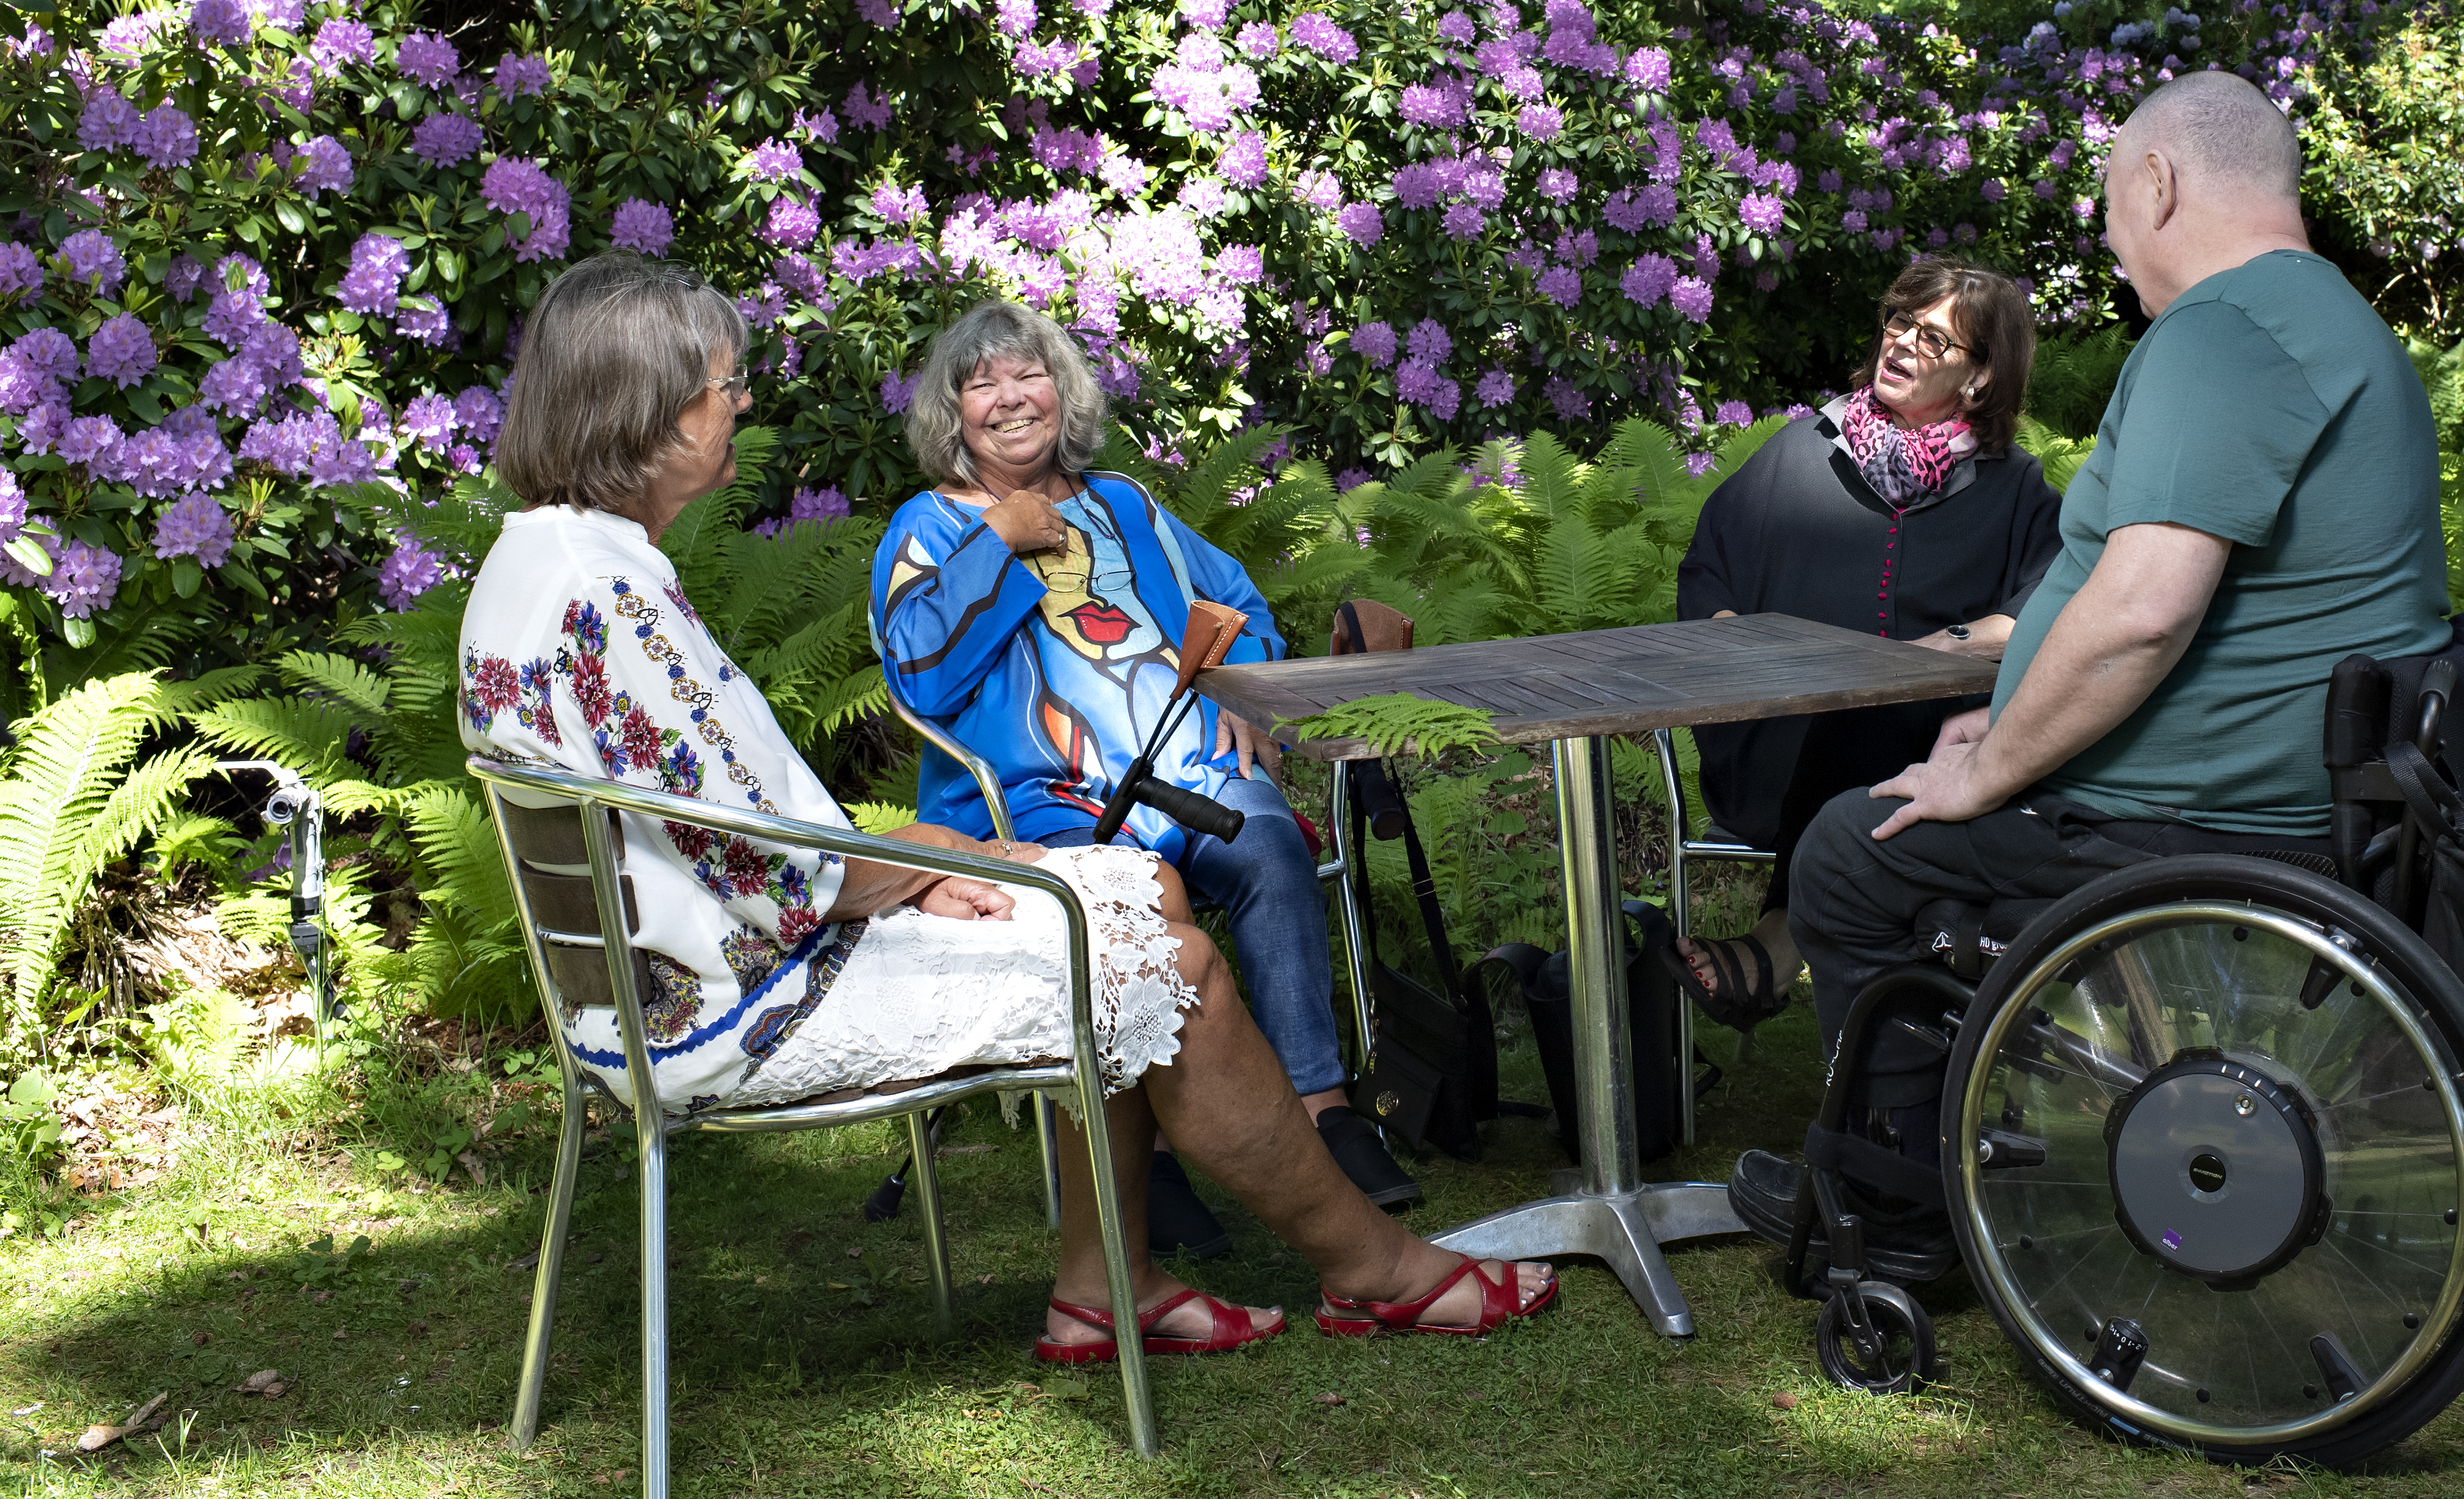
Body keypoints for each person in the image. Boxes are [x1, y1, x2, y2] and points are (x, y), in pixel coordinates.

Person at [461, 254, 1551, 1354]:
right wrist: (936, 860)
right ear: (647, 412)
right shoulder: (611, 595)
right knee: (1162, 960)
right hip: (739, 1000)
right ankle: (1376, 1269)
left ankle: (1102, 1283)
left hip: (668, 983)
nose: (740, 404)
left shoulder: (545, 565)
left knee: (1136, 889)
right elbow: (780, 867)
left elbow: (718, 829)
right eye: (722, 386)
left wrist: (922, 852)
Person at [1731, 70, 2452, 1234]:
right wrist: (2003, 719)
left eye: (2112, 202)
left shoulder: (2222, 332)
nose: (2111, 243)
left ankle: (1897, 1209)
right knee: (1920, 813)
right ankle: (1967, 1130)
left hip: (2211, 819)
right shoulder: (2328, 315)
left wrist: (1993, 766)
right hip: (2311, 788)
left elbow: (2142, 613)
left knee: (1851, 855)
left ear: (2159, 182)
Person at [870, 299, 1419, 1258]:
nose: (1009, 398)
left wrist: (1246, 695)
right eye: (981, 383)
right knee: (1132, 900)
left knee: (1269, 843)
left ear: (1061, 389)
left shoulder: (1127, 504)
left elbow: (1237, 604)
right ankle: (1148, 1155)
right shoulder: (927, 529)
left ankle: (1323, 1111)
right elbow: (918, 670)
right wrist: (1000, 540)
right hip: (1038, 796)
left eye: (1027, 374)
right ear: (952, 416)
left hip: (1186, 763)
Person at [1671, 257, 2062, 1030]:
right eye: (1899, 323)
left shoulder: (2014, 489)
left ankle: (1783, 950)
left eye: (1934, 338)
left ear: (1981, 378)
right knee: (1858, 708)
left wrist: (1924, 657)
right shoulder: (1801, 454)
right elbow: (1707, 576)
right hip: (1778, 747)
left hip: (1952, 752)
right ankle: (1814, 954)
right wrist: (1739, 648)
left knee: (1882, 704)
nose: (1903, 343)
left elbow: (2040, 611)